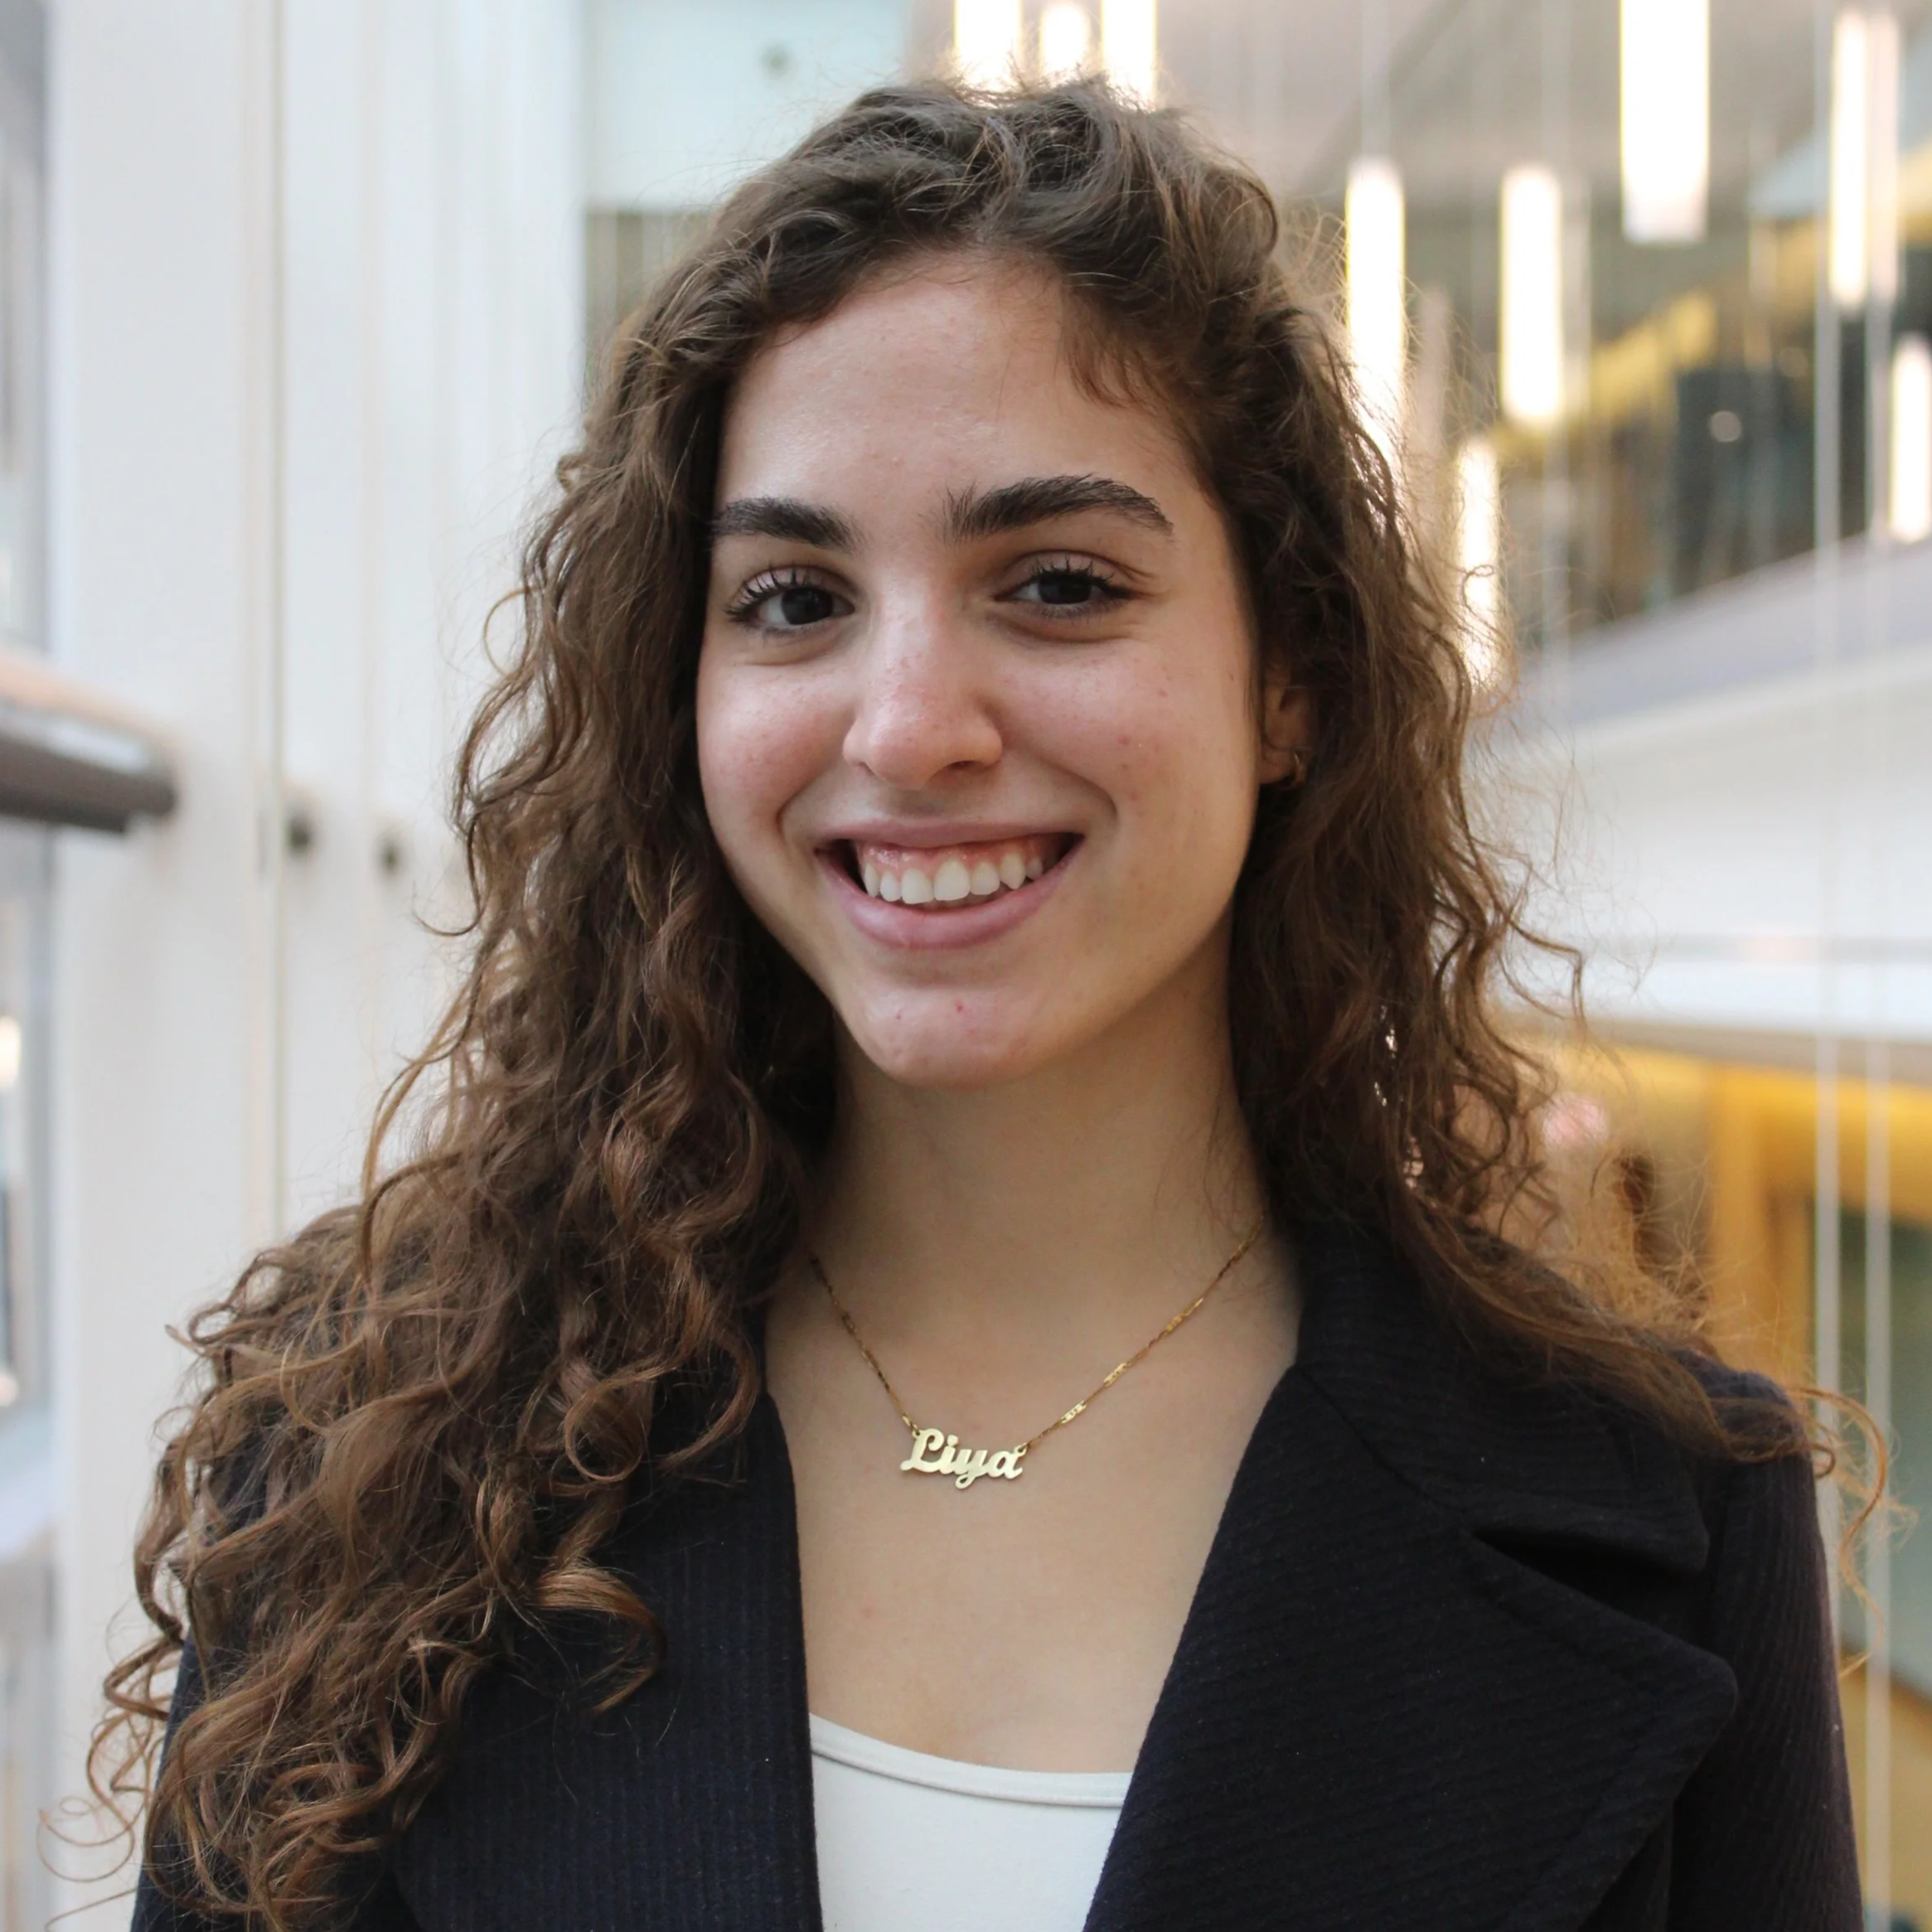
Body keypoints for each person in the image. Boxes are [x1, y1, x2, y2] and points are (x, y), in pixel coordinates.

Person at [110, 80, 1860, 1932]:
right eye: (791, 597)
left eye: (1054, 583)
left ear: (1293, 683)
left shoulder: (1672, 1522)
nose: (904, 724)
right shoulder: (366, 1462)